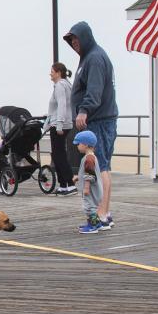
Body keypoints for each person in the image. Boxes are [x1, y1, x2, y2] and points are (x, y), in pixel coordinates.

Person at [64, 22, 118, 229]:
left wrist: (84, 110)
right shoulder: (88, 58)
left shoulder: (94, 58)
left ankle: (102, 214)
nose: (74, 43)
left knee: (100, 165)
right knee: (102, 165)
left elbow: (94, 91)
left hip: (100, 120)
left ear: (85, 37)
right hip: (99, 120)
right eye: (71, 41)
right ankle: (105, 211)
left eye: (76, 39)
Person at [42, 62, 75, 196]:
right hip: (59, 123)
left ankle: (70, 184)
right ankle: (63, 185)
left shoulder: (60, 86)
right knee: (58, 154)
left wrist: (59, 123)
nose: (50, 73)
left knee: (59, 155)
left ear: (58, 72)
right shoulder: (65, 85)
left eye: (52, 71)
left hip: (59, 125)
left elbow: (62, 105)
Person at [72, 131, 109, 234]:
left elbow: (89, 175)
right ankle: (95, 223)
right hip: (94, 189)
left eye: (78, 144)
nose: (77, 146)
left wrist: (86, 187)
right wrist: (78, 177)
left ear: (86, 145)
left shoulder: (89, 159)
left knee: (89, 207)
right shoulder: (91, 157)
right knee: (91, 206)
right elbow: (86, 172)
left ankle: (93, 226)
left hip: (91, 190)